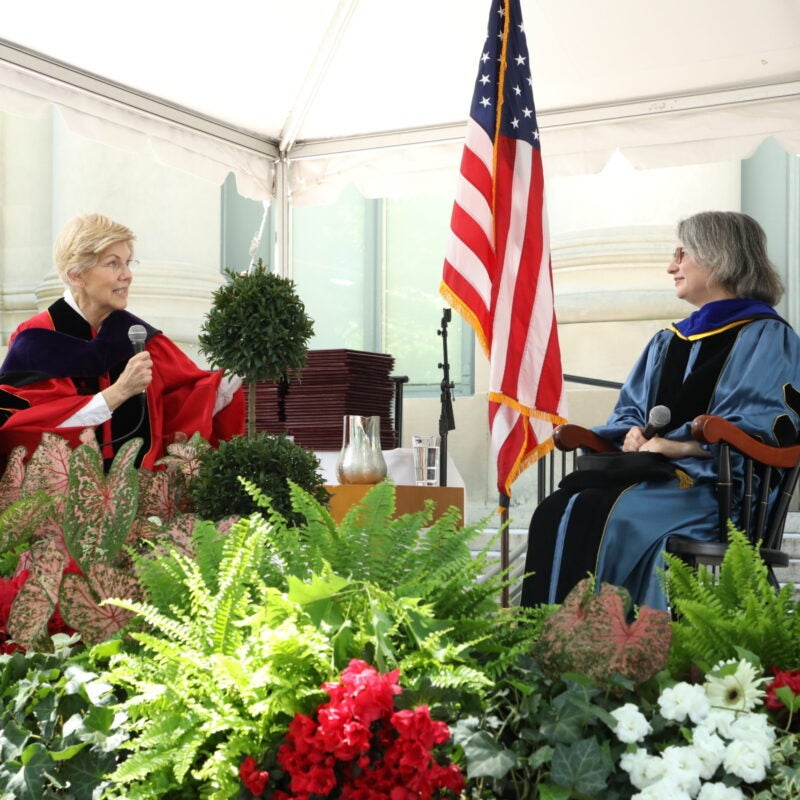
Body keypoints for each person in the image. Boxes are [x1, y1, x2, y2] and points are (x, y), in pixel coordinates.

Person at [521, 210, 800, 611]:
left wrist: (678, 447)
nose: (672, 266)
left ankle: (614, 655)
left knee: (612, 516)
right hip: (651, 480)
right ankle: (549, 652)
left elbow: (764, 427)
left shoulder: (768, 337)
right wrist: (631, 432)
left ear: (718, 257)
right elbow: (630, 409)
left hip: (716, 494)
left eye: (681, 254)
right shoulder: (667, 341)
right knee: (557, 508)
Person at [0, 213, 245, 470]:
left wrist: (239, 366)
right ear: (76, 275)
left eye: (128, 262)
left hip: (139, 496)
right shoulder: (37, 341)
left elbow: (188, 401)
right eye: (113, 264)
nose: (127, 275)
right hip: (65, 499)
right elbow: (20, 428)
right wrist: (116, 394)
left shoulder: (138, 338)